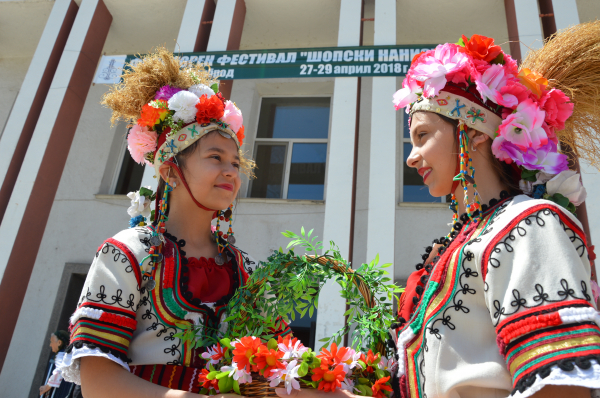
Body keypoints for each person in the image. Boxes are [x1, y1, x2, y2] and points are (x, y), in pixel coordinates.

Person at [277, 23, 600, 398]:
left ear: (474, 131)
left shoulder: (528, 224)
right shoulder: (460, 242)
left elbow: (560, 389)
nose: (412, 158)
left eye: (422, 136)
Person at [57, 47, 290, 398]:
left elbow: (281, 373)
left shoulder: (248, 271)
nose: (231, 171)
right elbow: (98, 384)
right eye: (215, 157)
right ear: (170, 171)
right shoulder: (128, 254)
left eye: (235, 163)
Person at [40, 330, 75, 398]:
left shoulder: (61, 354)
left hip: (59, 390)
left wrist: (48, 386)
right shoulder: (68, 354)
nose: (50, 345)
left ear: (59, 342)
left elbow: (59, 370)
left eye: (52, 342)